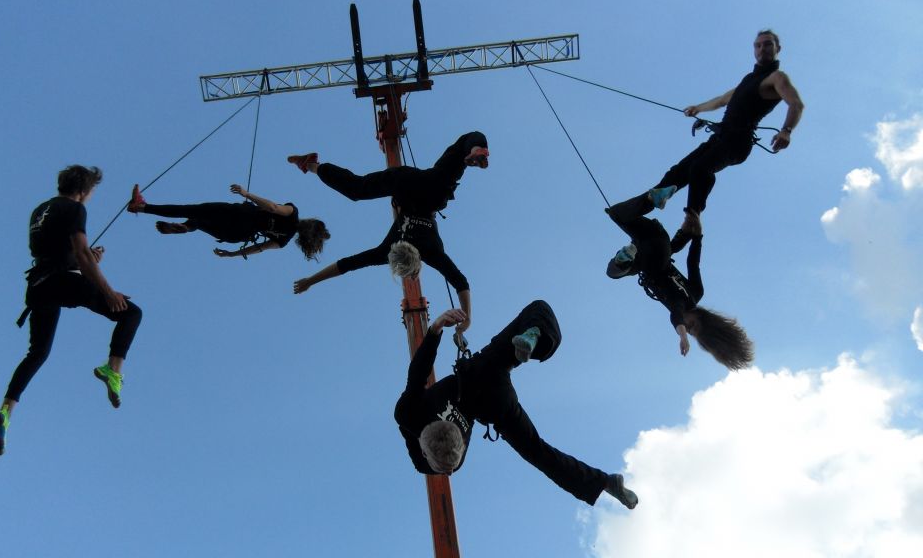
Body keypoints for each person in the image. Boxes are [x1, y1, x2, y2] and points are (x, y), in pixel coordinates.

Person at [394, 301, 639, 509]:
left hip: (495, 405)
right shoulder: (411, 417)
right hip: (483, 376)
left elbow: (419, 370)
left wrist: (436, 329)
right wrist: (436, 328)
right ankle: (536, 336)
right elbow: (418, 372)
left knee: (538, 451)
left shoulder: (429, 443)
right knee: (538, 309)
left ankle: (606, 482)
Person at [0, 165, 143, 456]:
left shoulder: (40, 210)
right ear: (84, 190)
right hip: (59, 281)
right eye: (92, 192)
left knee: (38, 353)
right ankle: (113, 370)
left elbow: (56, 253)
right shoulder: (75, 209)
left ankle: (5, 412)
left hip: (38, 286)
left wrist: (82, 259)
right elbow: (81, 255)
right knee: (130, 313)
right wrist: (108, 291)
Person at [288, 131, 488, 333]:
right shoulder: (387, 251)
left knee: (458, 155)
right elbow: (346, 264)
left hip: (430, 192)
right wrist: (310, 281)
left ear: (417, 263)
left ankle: (474, 149)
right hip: (407, 184)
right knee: (356, 189)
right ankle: (311, 165)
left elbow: (461, 283)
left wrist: (468, 319)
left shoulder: (432, 252)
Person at [625, 29, 805, 216]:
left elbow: (796, 104)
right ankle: (650, 200)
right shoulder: (749, 79)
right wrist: (698, 108)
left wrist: (786, 130)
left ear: (778, 48)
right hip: (722, 136)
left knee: (699, 168)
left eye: (768, 44)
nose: (762, 49)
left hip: (738, 141)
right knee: (679, 170)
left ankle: (692, 217)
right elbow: (722, 100)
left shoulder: (777, 78)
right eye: (758, 45)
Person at [605, 193, 753, 370]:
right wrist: (682, 336)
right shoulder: (686, 300)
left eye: (690, 331)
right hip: (657, 252)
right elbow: (677, 306)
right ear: (701, 316)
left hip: (650, 251)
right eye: (691, 324)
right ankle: (651, 204)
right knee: (620, 222)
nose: (686, 325)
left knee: (616, 224)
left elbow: (692, 263)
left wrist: (694, 235)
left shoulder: (696, 293)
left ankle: (626, 256)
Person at [126, 183, 330, 261]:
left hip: (241, 215)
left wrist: (247, 193)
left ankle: (142, 206)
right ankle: (187, 227)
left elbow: (273, 208)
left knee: (193, 210)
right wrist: (232, 254)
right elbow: (258, 248)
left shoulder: (293, 213)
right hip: (236, 236)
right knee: (200, 222)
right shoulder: (284, 241)